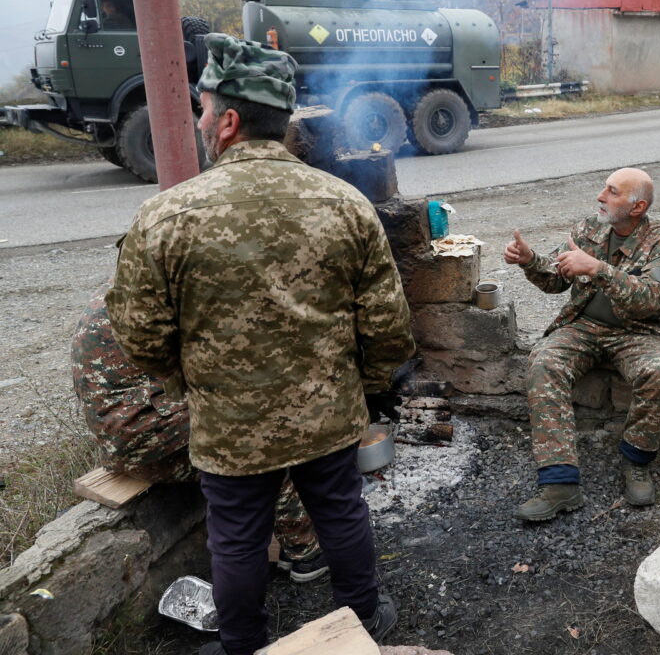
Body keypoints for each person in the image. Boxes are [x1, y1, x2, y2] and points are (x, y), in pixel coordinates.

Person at [106, 33, 415, 655]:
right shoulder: (345, 203)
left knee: (238, 536)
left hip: (229, 422)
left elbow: (140, 335)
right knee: (341, 511)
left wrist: (189, 381)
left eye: (202, 108)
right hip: (327, 414)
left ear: (228, 121)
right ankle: (365, 620)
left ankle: (243, 643)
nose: (199, 120)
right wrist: (370, 386)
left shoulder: (166, 216)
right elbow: (388, 325)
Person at [71, 290, 326, 582]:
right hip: (147, 437)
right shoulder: (165, 300)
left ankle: (282, 545)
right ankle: (306, 554)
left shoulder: (122, 291)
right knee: (261, 443)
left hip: (125, 439)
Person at [504, 168, 660, 521]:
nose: (601, 196)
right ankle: (560, 483)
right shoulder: (589, 228)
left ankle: (637, 461)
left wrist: (598, 268)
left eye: (612, 192)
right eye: (604, 189)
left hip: (638, 333)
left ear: (637, 206)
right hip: (583, 325)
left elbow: (649, 299)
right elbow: (556, 278)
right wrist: (529, 260)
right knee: (544, 362)